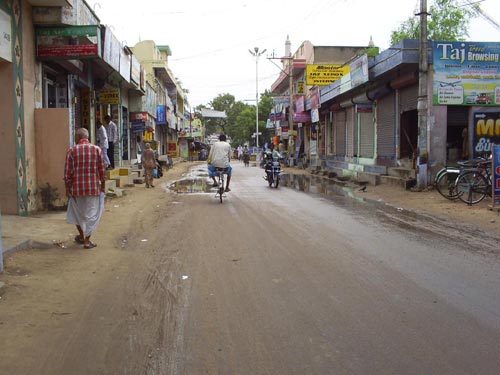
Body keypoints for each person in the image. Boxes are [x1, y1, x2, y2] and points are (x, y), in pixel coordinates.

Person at [64, 128, 106, 249]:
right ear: (87, 137)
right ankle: (86, 240)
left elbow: (68, 173)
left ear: (78, 137)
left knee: (77, 214)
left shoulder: (72, 151)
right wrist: (103, 186)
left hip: (77, 189)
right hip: (93, 188)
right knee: (91, 214)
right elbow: (102, 170)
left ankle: (83, 236)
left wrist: (67, 188)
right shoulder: (96, 149)